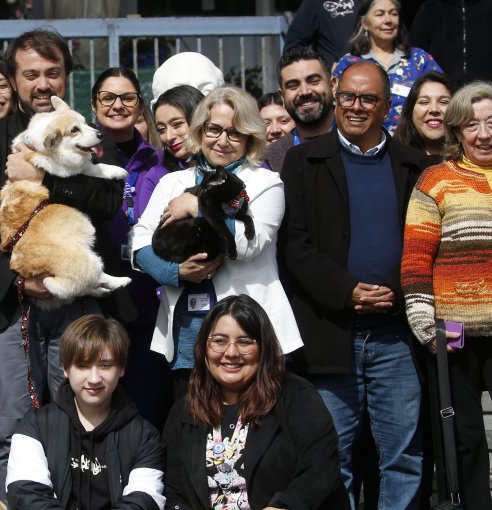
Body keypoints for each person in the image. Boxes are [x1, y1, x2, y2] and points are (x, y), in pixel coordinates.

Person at [0, 28, 134, 501]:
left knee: (81, 419)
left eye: (52, 73)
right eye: (30, 74)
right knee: (13, 426)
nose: (42, 84)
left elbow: (109, 199)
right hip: (7, 307)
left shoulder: (85, 131)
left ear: (67, 77)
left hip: (77, 303)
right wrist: (20, 280)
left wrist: (44, 179)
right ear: (13, 80)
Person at [279, 60, 431, 510]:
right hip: (330, 333)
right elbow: (294, 245)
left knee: (402, 457)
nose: (356, 107)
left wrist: (391, 289)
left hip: (394, 337)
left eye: (368, 98)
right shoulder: (304, 160)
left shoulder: (413, 164)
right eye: (348, 96)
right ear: (334, 94)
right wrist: (346, 290)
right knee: (330, 457)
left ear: (386, 105)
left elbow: (423, 243)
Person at [132, 86, 303, 401]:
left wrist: (197, 208)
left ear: (250, 137)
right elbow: (139, 240)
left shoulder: (265, 183)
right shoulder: (174, 183)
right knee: (193, 434)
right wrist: (174, 272)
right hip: (187, 336)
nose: (222, 141)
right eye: (214, 129)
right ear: (200, 130)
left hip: (248, 340)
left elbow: (247, 244)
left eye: (235, 133)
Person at [163, 295, 349, 509]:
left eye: (244, 342)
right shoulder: (184, 411)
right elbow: (174, 492)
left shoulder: (296, 397)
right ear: (204, 348)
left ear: (263, 348)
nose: (231, 353)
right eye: (220, 341)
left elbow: (320, 470)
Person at [401, 81, 492, 510]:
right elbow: (416, 261)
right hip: (454, 333)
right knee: (466, 441)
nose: (484, 134)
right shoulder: (435, 179)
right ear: (456, 130)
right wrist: (425, 325)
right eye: (472, 125)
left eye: (491, 122)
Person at [5, 315, 166, 510]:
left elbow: (144, 501)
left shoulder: (144, 436)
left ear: (121, 368)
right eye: (82, 365)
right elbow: (25, 493)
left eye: (105, 365)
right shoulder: (36, 425)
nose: (94, 378)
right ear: (65, 368)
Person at [93, 67, 173, 427]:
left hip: (149, 297)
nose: (118, 105)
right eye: (108, 97)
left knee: (147, 403)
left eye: (127, 97)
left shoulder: (161, 161)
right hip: (95, 298)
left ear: (140, 106)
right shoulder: (83, 157)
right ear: (94, 106)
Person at [333, 0, 443, 133]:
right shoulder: (349, 63)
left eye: (393, 14)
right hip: (364, 143)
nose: (388, 20)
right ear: (364, 23)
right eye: (380, 14)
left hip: (412, 145)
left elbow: (444, 96)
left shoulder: (420, 59)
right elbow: (336, 108)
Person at [264, 46, 336, 173]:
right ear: (282, 97)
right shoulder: (270, 159)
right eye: (293, 85)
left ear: (332, 86)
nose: (305, 92)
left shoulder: (356, 141)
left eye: (313, 81)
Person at [409, 0, 492, 85]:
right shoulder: (431, 8)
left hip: (485, 92)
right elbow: (414, 54)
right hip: (442, 91)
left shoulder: (489, 8)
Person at [393, 71, 455, 160]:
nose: (434, 109)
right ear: (410, 111)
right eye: (424, 102)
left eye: (443, 102)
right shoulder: (392, 159)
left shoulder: (471, 163)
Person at [284, 0, 362, 69]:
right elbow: (293, 46)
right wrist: (326, 66)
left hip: (369, 72)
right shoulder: (315, 2)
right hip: (336, 78)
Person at [152, 84, 205, 173]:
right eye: (161, 129)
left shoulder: (229, 166)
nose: (169, 137)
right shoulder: (156, 177)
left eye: (177, 124)